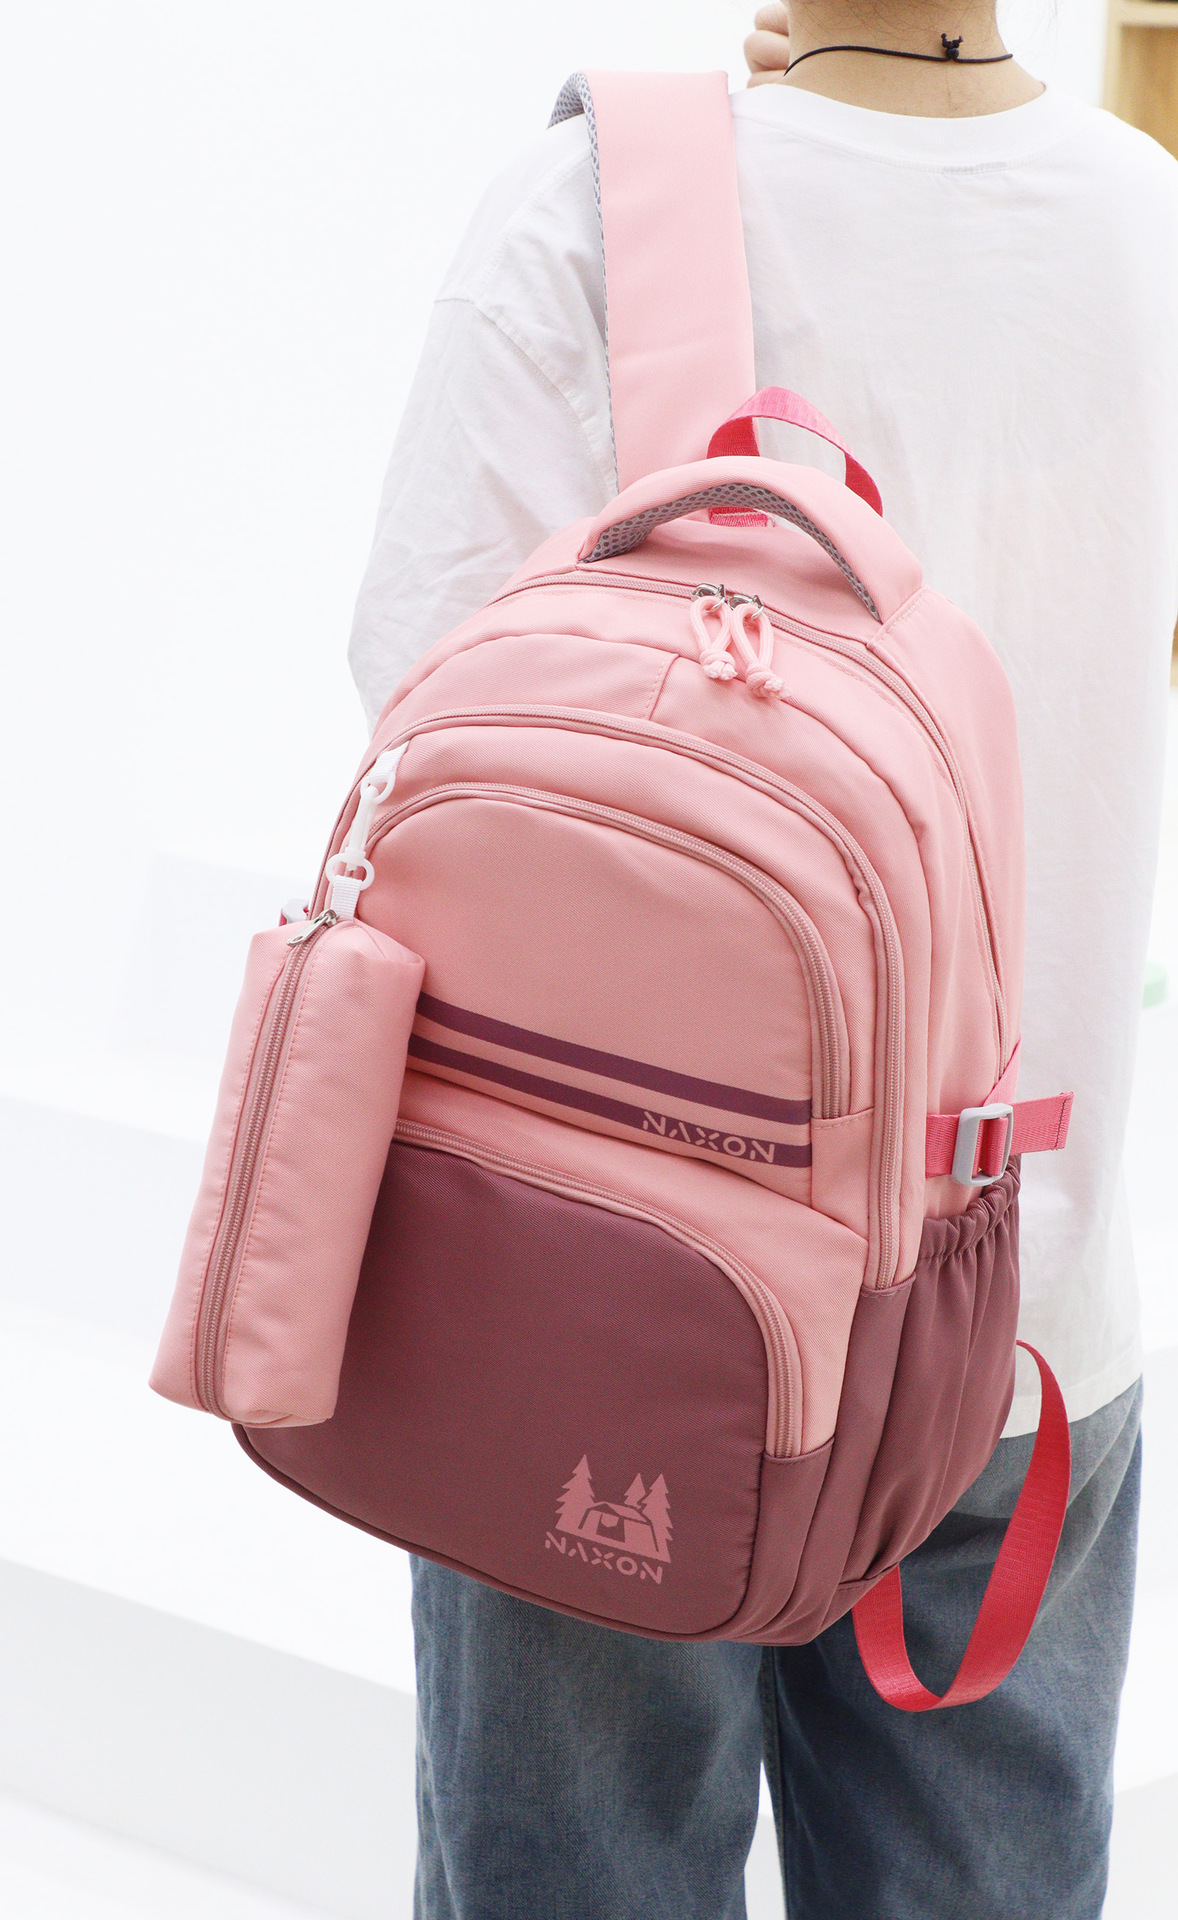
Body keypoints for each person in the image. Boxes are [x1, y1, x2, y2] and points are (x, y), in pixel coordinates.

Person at [349, 6, 1176, 1914]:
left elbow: (426, 710)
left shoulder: (597, 205)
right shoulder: (1150, 216)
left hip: (616, 1294)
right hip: (1022, 1308)